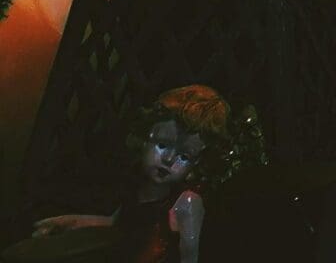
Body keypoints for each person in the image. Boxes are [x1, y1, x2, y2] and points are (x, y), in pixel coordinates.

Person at [23, 86, 259, 263]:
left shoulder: (186, 202)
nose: (168, 160)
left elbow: (190, 256)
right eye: (162, 145)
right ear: (145, 137)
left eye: (184, 157)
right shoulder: (138, 185)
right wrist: (69, 222)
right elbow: (118, 223)